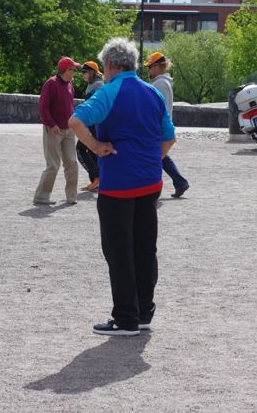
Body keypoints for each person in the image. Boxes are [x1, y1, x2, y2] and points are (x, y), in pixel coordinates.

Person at [69, 38, 176, 336]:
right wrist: (151, 160)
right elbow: (169, 136)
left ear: (110, 65)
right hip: (149, 181)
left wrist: (96, 146)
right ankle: (143, 312)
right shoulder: (152, 93)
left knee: (119, 251)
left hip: (118, 185)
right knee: (145, 248)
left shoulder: (110, 92)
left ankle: (125, 318)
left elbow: (75, 120)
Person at [33, 56, 81, 206]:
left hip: (68, 130)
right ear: (65, 70)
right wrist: (51, 124)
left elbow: (69, 105)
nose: (75, 72)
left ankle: (71, 197)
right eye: (73, 69)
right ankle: (41, 197)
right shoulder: (51, 83)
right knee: (53, 165)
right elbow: (43, 106)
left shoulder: (69, 84)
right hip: (53, 129)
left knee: (72, 163)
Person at [144, 51, 190, 198]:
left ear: (157, 67)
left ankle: (175, 182)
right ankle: (179, 182)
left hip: (157, 127)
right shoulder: (163, 82)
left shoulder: (159, 84)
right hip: (161, 126)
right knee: (159, 155)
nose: (148, 70)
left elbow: (155, 109)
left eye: (150, 67)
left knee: (156, 156)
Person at [76, 61, 104, 191]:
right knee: (92, 151)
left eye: (84, 72)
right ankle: (96, 180)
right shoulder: (92, 85)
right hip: (92, 123)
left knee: (80, 150)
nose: (82, 74)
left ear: (91, 72)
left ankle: (97, 177)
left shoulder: (98, 85)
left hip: (94, 123)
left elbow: (96, 106)